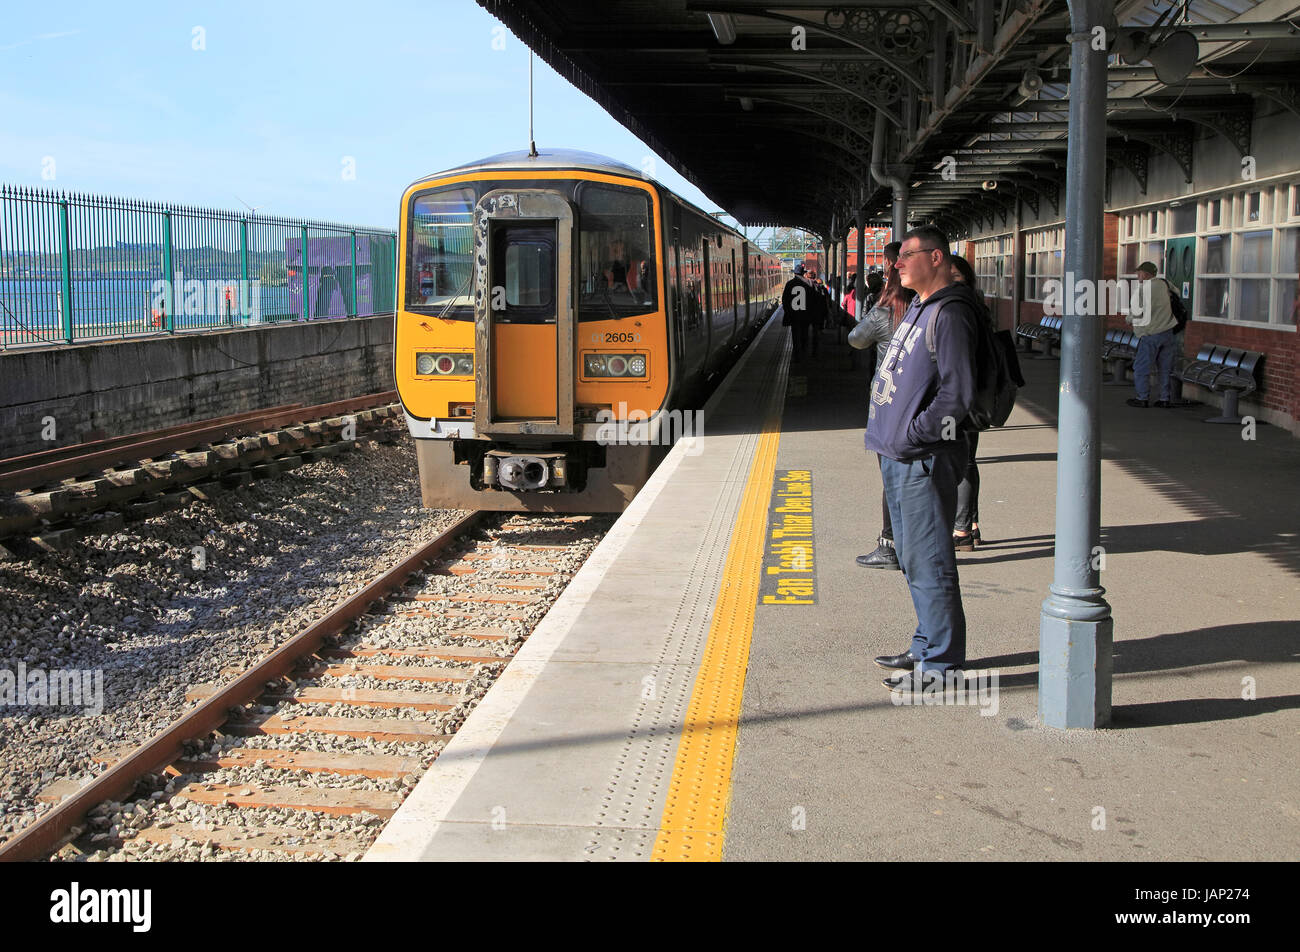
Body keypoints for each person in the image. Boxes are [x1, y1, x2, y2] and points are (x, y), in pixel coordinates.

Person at [865, 226, 981, 691]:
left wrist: (915, 434)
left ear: (935, 258)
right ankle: (924, 645)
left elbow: (958, 392)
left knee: (931, 559)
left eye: (906, 256)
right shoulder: (918, 306)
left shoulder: (950, 313)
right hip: (899, 456)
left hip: (923, 457)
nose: (897, 264)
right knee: (914, 559)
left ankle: (942, 668)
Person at [856, 242, 911, 570]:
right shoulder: (931, 308)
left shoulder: (885, 311)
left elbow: (856, 338)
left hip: (889, 405)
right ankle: (927, 544)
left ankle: (890, 546)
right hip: (924, 406)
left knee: (893, 476)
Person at [948, 255, 991, 550]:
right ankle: (970, 524)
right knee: (967, 461)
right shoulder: (977, 306)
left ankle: (961, 529)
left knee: (957, 464)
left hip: (957, 401)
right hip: (972, 398)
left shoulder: (956, 310)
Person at [1126, 261, 1178, 408]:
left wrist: (1128, 319)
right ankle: (1164, 398)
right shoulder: (1165, 284)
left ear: (1146, 274)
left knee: (1141, 367)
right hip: (1168, 332)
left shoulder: (1143, 290)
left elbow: (1136, 311)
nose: (1137, 275)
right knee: (1165, 368)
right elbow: (1178, 294)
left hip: (1150, 334)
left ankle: (1142, 398)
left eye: (1139, 272)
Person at [781, 263, 815, 362]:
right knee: (805, 334)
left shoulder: (789, 284)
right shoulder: (809, 283)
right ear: (803, 273)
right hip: (806, 315)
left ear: (795, 273)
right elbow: (813, 300)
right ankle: (804, 352)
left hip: (794, 315)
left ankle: (796, 354)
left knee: (795, 335)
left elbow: (785, 300)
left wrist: (788, 312)